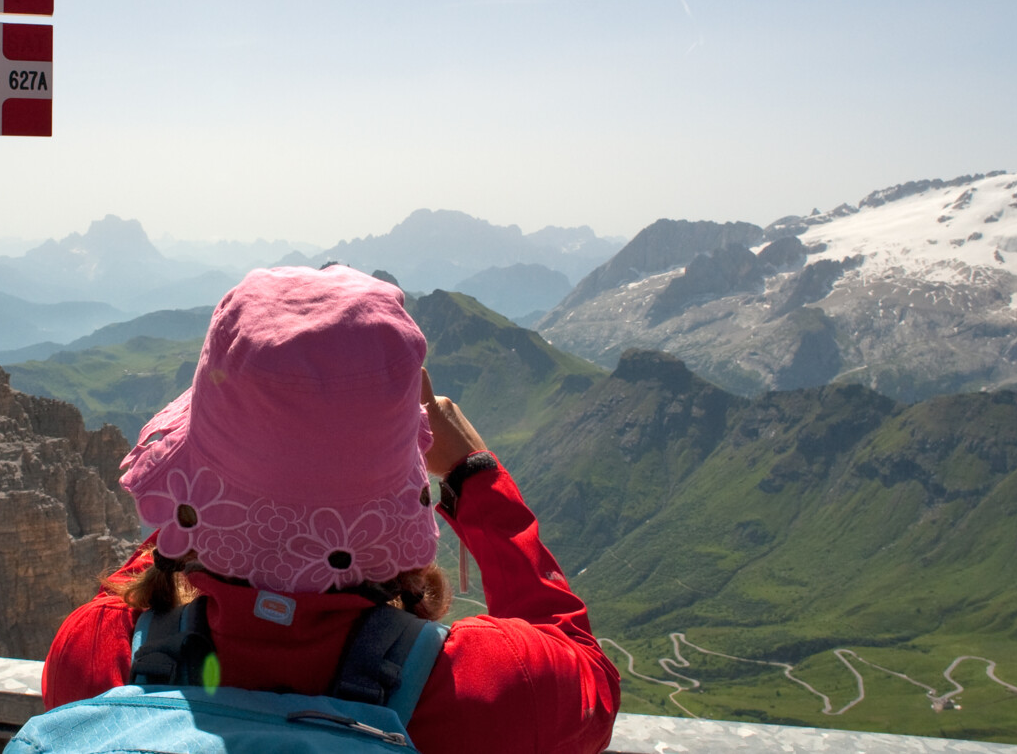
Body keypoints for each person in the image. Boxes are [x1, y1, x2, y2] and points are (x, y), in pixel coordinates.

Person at [39, 265, 620, 753]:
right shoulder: (490, 689)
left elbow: (152, 567)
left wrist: (207, 487)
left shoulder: (96, 655)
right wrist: (473, 473)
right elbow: (586, 669)